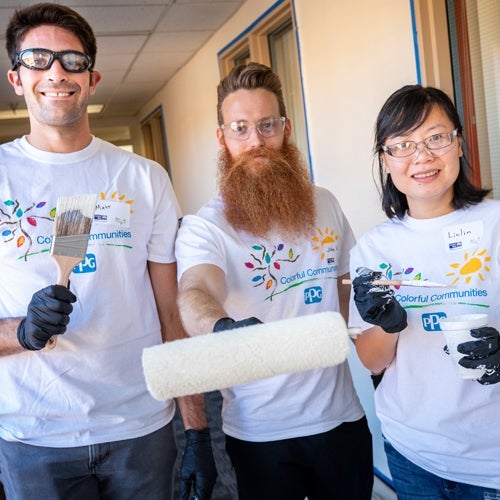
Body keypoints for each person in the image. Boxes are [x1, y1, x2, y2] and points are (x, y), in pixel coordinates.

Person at [0, 3, 217, 499]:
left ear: (92, 78)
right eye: (37, 59)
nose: (56, 72)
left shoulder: (144, 178)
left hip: (140, 428)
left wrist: (199, 432)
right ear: (16, 78)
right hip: (35, 437)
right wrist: (23, 332)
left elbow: (170, 313)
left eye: (71, 60)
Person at [175, 61, 373, 500]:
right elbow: (195, 291)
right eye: (240, 128)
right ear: (221, 137)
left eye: (267, 125)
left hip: (341, 418)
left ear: (285, 127)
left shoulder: (324, 204)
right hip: (261, 431)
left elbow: (344, 284)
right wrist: (220, 327)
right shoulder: (206, 227)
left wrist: (366, 336)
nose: (256, 141)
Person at [350, 84, 500, 498]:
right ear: (386, 160)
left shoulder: (495, 224)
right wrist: (389, 324)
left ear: (459, 144)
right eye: (402, 145)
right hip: (413, 449)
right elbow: (373, 361)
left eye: (436, 138)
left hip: (491, 457)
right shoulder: (372, 248)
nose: (422, 156)